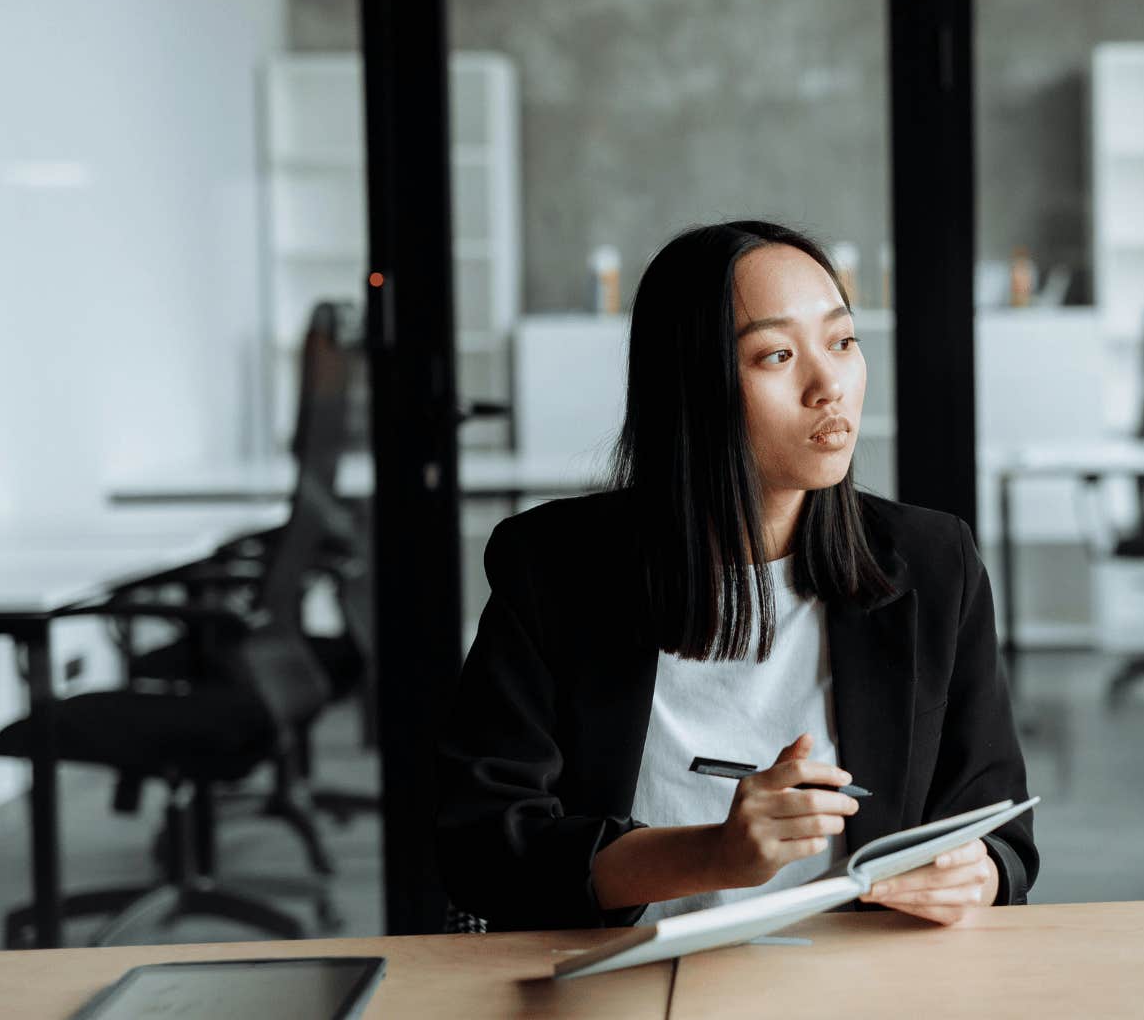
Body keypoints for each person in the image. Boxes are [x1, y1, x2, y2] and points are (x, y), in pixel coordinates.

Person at [436, 220, 1038, 931]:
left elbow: (1001, 829)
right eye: (777, 355)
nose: (828, 387)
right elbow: (483, 851)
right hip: (620, 984)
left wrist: (979, 871)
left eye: (843, 342)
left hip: (864, 977)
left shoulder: (934, 563)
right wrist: (712, 856)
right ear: (690, 385)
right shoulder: (554, 567)